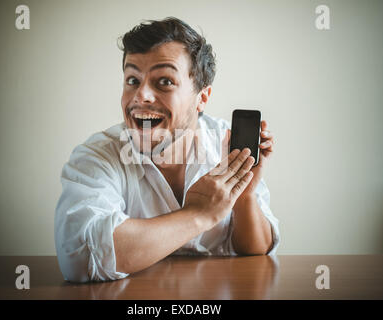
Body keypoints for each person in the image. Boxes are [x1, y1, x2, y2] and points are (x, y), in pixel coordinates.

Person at [55, 17, 280, 282]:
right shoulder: (97, 157)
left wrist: (244, 197)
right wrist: (198, 215)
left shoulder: (228, 147)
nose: (141, 96)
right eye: (132, 80)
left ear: (202, 98)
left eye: (164, 82)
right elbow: (80, 259)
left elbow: (257, 250)